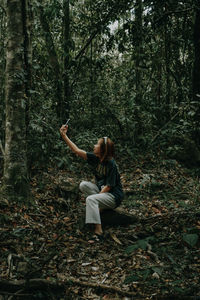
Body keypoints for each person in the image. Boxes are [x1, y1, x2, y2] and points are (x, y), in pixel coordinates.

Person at [59, 124, 124, 241]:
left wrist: (94, 202)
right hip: (102, 192)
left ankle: (98, 231)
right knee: (83, 185)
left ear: (102, 150)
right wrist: (64, 135)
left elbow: (109, 187)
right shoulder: (95, 157)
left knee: (90, 200)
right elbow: (76, 150)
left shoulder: (111, 164)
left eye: (97, 144)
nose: (94, 146)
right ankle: (99, 208)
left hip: (114, 197)